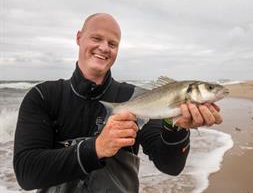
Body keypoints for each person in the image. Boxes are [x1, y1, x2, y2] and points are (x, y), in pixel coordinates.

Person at [13, 13, 224, 193]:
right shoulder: (43, 95)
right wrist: (96, 148)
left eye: (112, 43)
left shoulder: (135, 97)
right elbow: (26, 174)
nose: (104, 48)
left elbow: (170, 166)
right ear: (79, 38)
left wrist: (175, 127)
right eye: (96, 38)